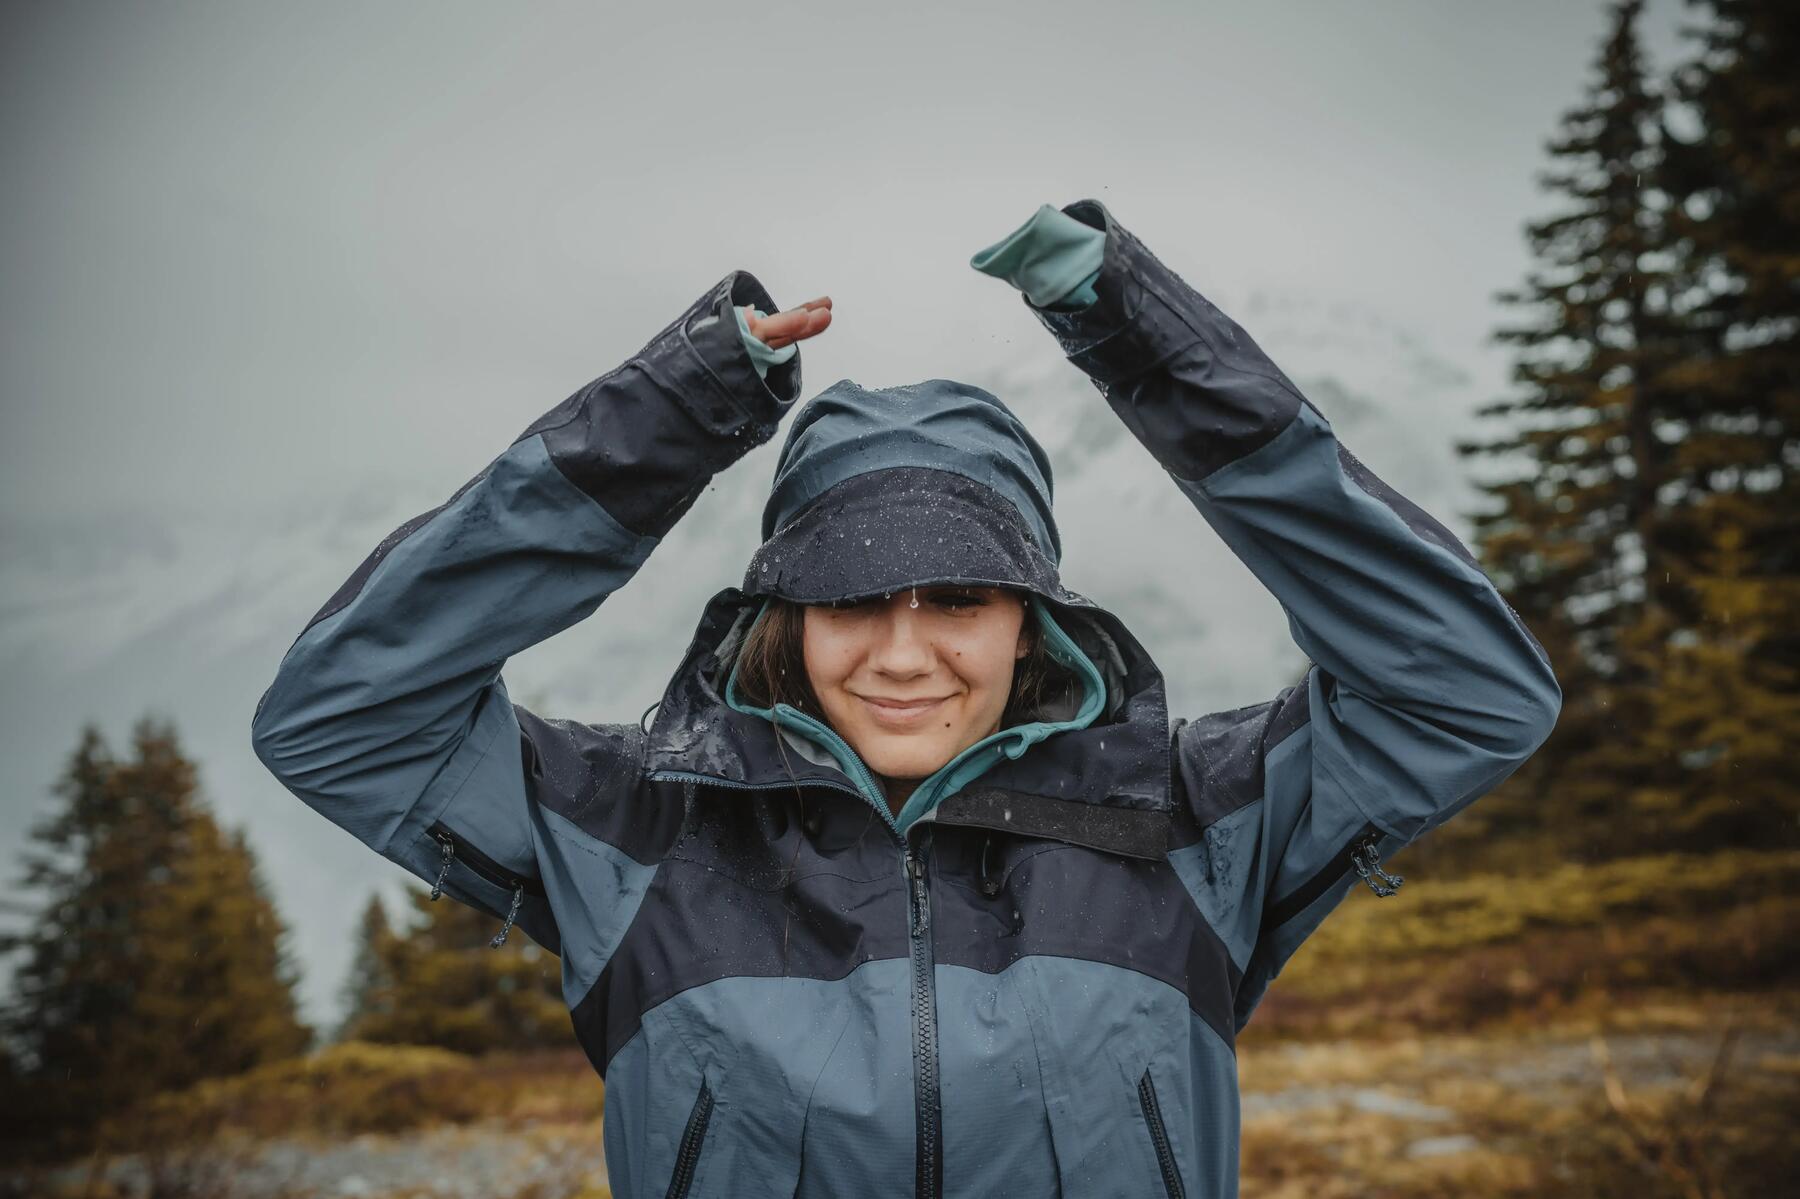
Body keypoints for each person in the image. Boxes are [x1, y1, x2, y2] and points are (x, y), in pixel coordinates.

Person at [250, 198, 1561, 1199]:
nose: (901, 653)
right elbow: (342, 719)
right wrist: (675, 413)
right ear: (784, 617)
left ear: (1034, 619)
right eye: (849, 600)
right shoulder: (640, 830)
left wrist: (1144, 343)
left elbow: (1466, 691)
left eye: (958, 599)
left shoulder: (1194, 819)